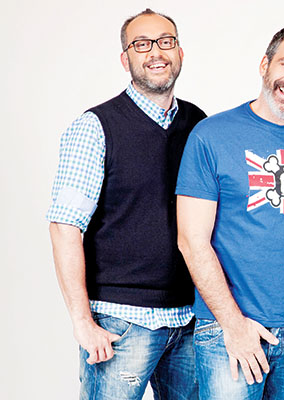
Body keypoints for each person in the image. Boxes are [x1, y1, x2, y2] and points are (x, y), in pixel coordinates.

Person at [175, 26, 284, 400]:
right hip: (227, 331)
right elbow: (191, 240)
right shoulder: (210, 136)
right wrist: (233, 324)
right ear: (264, 65)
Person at [47, 8, 206, 399]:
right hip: (119, 322)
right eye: (142, 44)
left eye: (166, 41)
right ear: (125, 59)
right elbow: (64, 227)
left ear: (180, 52)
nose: (156, 52)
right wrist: (82, 322)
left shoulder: (198, 124)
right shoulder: (95, 127)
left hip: (189, 319)